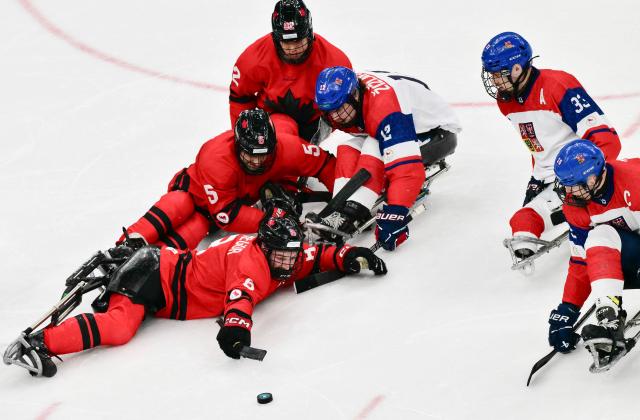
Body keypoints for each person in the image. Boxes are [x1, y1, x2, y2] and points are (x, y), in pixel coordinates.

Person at [7, 213, 387, 377]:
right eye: (283, 254)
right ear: (267, 248)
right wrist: (236, 332)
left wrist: (349, 254)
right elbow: (239, 300)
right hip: (153, 276)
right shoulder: (252, 263)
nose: (290, 261)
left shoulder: (277, 252)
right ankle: (39, 343)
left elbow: (311, 255)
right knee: (120, 328)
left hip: (165, 270)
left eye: (292, 251)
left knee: (123, 327)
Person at [481, 32, 621, 261]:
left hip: (579, 172)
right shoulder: (505, 101)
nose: (495, 81)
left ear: (517, 68)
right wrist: (538, 178)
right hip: (549, 174)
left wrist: (582, 177)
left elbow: (607, 140)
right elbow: (538, 143)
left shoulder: (558, 85)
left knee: (533, 219)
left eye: (499, 74)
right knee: (521, 220)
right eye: (492, 75)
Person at [119, 108, 336, 249]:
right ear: (237, 146)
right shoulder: (216, 158)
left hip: (211, 217)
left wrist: (347, 199)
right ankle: (125, 245)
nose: (257, 162)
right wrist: (272, 222)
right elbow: (228, 215)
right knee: (180, 204)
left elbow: (325, 163)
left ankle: (151, 258)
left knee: (193, 231)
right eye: (250, 154)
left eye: (263, 155)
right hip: (195, 196)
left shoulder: (287, 147)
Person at [311, 66, 461, 250]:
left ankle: (354, 211)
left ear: (355, 95)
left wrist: (395, 216)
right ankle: (339, 213)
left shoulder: (384, 108)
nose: (335, 116)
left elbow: (408, 172)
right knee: (347, 148)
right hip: (401, 121)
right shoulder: (344, 96)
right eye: (329, 111)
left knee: (374, 147)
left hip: (437, 133)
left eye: (340, 109)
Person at [546, 140, 640, 366]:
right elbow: (581, 260)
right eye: (565, 185)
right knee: (599, 236)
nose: (569, 193)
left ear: (594, 177)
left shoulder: (634, 183)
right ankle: (609, 318)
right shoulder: (575, 205)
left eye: (575, 185)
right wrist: (568, 308)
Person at [229, 0, 352, 141]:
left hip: (317, 123)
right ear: (275, 38)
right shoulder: (252, 60)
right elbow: (240, 97)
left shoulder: (335, 62)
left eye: (298, 41)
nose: (293, 49)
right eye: (286, 42)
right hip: (274, 122)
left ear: (310, 34)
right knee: (283, 135)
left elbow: (349, 109)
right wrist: (243, 140)